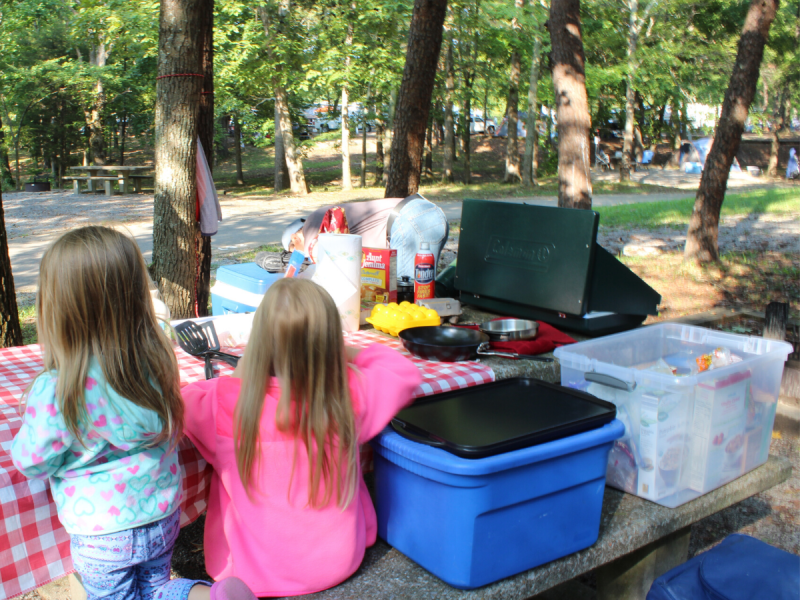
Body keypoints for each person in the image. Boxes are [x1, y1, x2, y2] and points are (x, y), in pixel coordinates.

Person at [10, 226, 257, 600]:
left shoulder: (60, 389)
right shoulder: (157, 362)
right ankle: (202, 597)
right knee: (156, 588)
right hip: (161, 513)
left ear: (57, 308)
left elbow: (31, 461)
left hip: (100, 531)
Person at [181, 278, 421, 597]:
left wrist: (244, 371)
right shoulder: (347, 394)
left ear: (258, 345)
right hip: (339, 561)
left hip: (249, 575)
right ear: (329, 344)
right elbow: (402, 372)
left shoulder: (223, 403)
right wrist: (344, 351)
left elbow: (180, 401)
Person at [281, 193, 449, 279]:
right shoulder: (323, 216)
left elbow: (322, 256)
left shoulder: (310, 227)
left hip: (409, 220)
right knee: (424, 291)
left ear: (295, 238)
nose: (299, 255)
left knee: (408, 301)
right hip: (428, 212)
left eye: (294, 250)